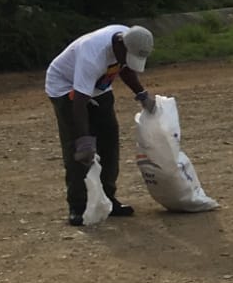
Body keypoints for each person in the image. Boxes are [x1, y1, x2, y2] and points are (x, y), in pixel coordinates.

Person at [45, 24, 158, 226]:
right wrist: (84, 140)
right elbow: (79, 102)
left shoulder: (130, 39)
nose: (128, 61)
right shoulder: (92, 55)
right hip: (65, 86)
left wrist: (141, 94)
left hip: (99, 86)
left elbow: (124, 68)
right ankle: (78, 206)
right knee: (78, 148)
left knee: (109, 139)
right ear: (120, 45)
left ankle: (107, 199)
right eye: (128, 57)